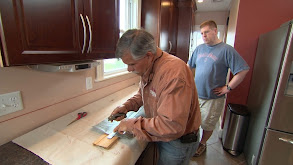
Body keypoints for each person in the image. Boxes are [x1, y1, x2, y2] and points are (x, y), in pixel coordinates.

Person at [110, 29, 201, 165]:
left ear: (148, 55)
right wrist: (126, 106)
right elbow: (144, 93)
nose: (129, 69)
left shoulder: (173, 73)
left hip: (178, 143)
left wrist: (130, 124)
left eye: (132, 64)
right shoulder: (149, 67)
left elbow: (171, 125)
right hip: (164, 136)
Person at [187, 20, 250, 157]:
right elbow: (189, 67)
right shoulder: (199, 49)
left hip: (213, 98)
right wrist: (189, 83)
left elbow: (243, 70)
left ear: (215, 31)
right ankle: (193, 142)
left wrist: (228, 87)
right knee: (193, 121)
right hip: (196, 95)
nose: (204, 35)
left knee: (207, 124)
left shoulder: (226, 50)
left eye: (207, 32)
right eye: (202, 33)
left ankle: (202, 144)